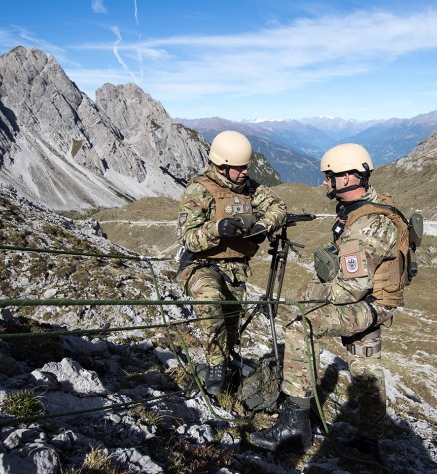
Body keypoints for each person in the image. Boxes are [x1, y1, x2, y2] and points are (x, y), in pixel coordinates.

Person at [250, 143, 411, 459]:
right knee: (366, 364)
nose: (325, 182)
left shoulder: (366, 224)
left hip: (368, 303)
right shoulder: (374, 205)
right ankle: (368, 443)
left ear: (350, 177)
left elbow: (349, 290)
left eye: (330, 176)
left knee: (300, 324)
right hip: (379, 300)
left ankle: (294, 427)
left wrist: (310, 293)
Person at [176, 130, 287, 395]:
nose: (244, 173)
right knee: (210, 299)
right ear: (222, 166)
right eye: (238, 169)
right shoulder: (198, 191)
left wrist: (262, 226)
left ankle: (226, 369)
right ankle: (216, 367)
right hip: (201, 264)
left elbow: (278, 207)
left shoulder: (249, 189)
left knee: (230, 327)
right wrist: (217, 229)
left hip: (236, 270)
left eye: (245, 168)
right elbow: (187, 238)